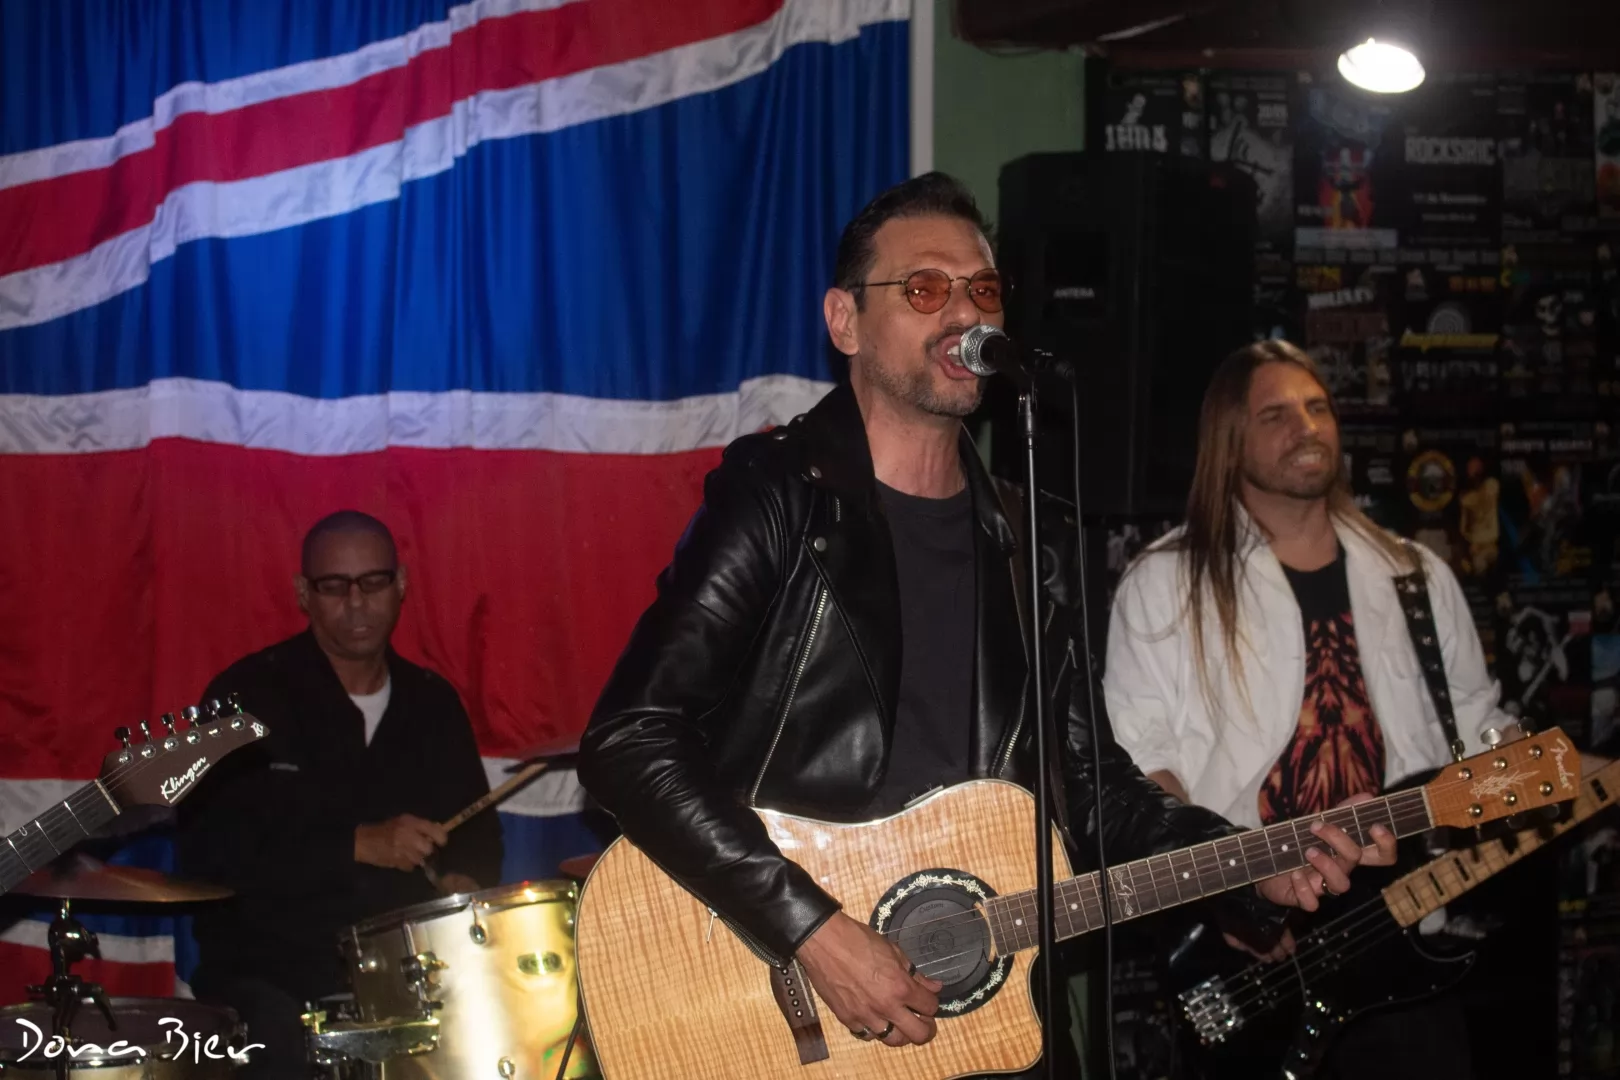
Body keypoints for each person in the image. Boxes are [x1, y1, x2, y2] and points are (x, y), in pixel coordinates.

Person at [576, 174, 1393, 1074]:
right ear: (846, 322)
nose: (965, 311)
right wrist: (812, 928)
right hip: (783, 988)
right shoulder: (778, 496)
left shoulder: (1029, 536)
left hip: (981, 1008)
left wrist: (1249, 867)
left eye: (984, 289)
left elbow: (1095, 789)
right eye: (926, 288)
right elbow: (629, 739)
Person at [1103, 340, 1515, 1077]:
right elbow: (1142, 772)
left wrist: (1524, 759)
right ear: (1230, 441)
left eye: (1318, 407)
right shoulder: (1163, 584)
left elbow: (1480, 725)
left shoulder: (1415, 575)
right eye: (1276, 414)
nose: (1307, 426)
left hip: (1408, 946)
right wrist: (1229, 896)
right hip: (1254, 962)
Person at [177, 510, 502, 1080]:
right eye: (334, 586)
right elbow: (208, 853)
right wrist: (356, 844)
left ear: (401, 585)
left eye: (373, 582)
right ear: (304, 593)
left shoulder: (433, 704)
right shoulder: (245, 697)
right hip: (270, 978)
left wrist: (462, 878)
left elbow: (478, 838)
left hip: (410, 977)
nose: (357, 603)